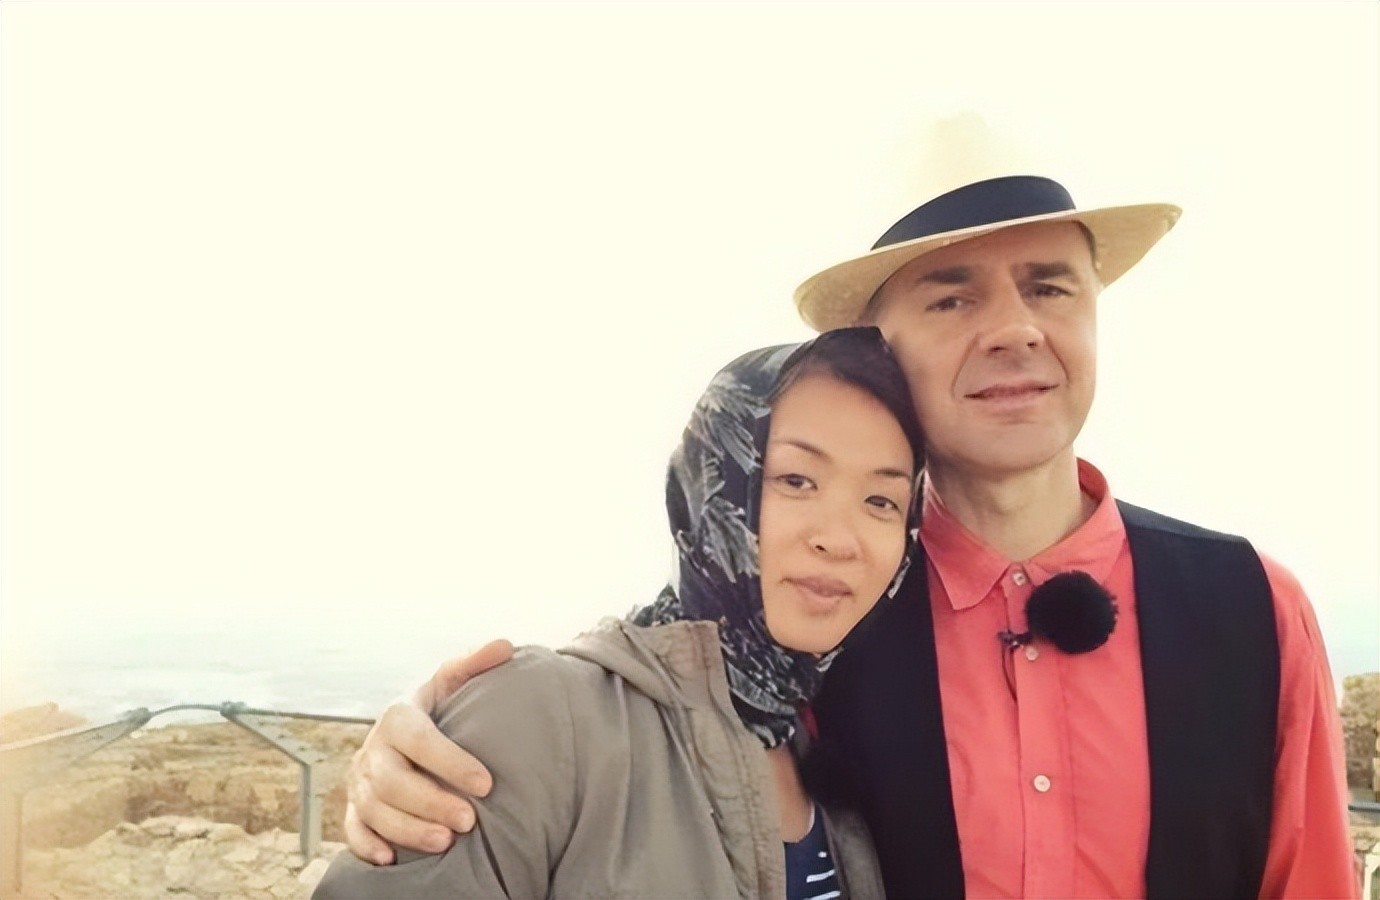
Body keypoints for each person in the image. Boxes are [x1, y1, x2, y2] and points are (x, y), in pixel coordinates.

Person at [343, 175, 1357, 898]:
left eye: (1051, 286)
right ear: (882, 349)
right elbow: (657, 708)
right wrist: (439, 743)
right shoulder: (825, 632)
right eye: (953, 295)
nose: (1015, 327)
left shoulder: (1253, 610)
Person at [313, 326, 925, 899]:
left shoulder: (830, 751)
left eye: (881, 500)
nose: (839, 539)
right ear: (709, 485)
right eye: (795, 480)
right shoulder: (543, 716)